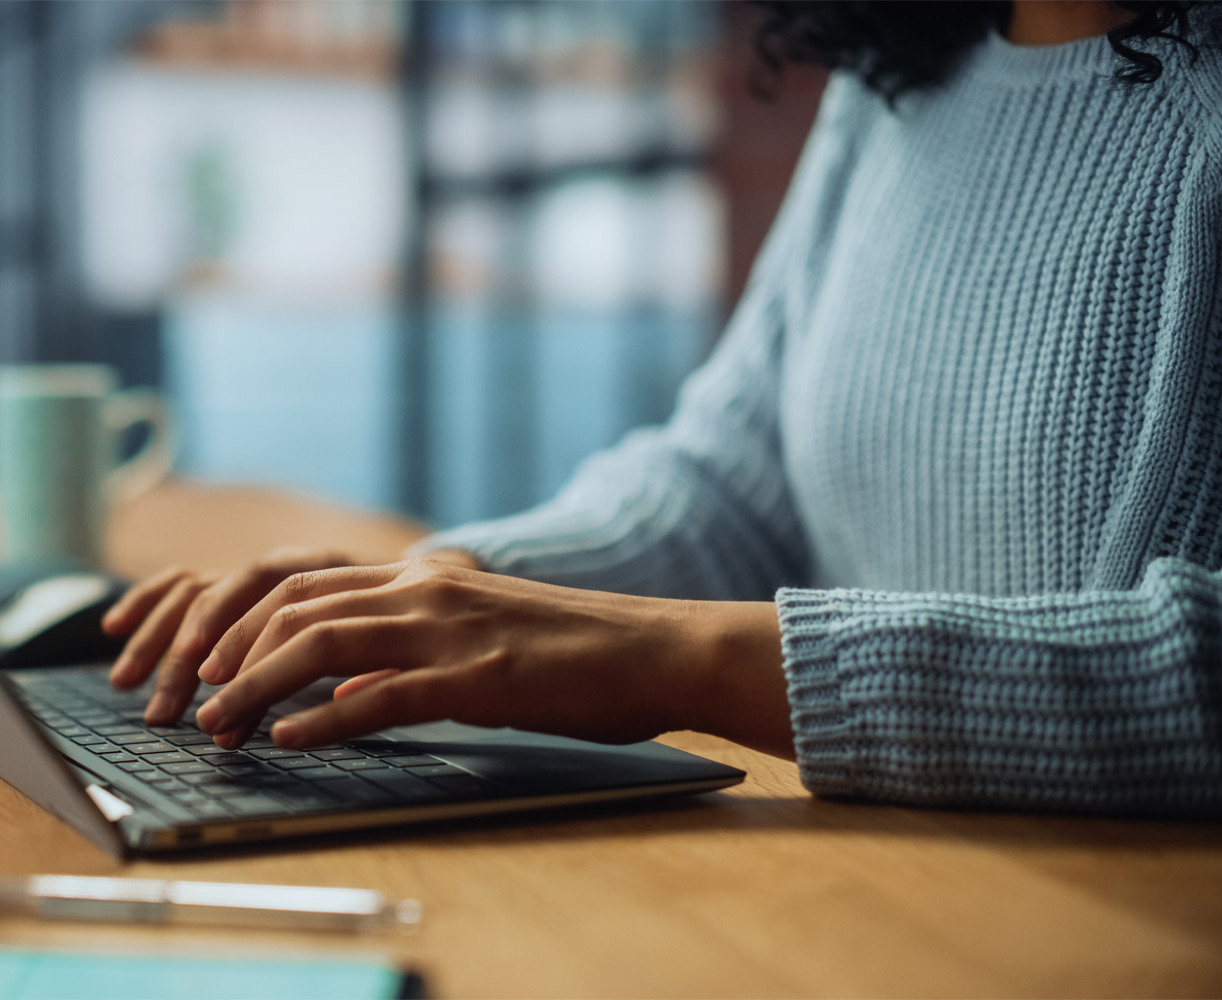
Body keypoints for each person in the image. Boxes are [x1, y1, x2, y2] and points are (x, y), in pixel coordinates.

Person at [101, 0, 1222, 817]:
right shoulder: (900, 74)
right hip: (857, 881)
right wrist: (433, 595)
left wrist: (671, 661)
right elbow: (731, 480)